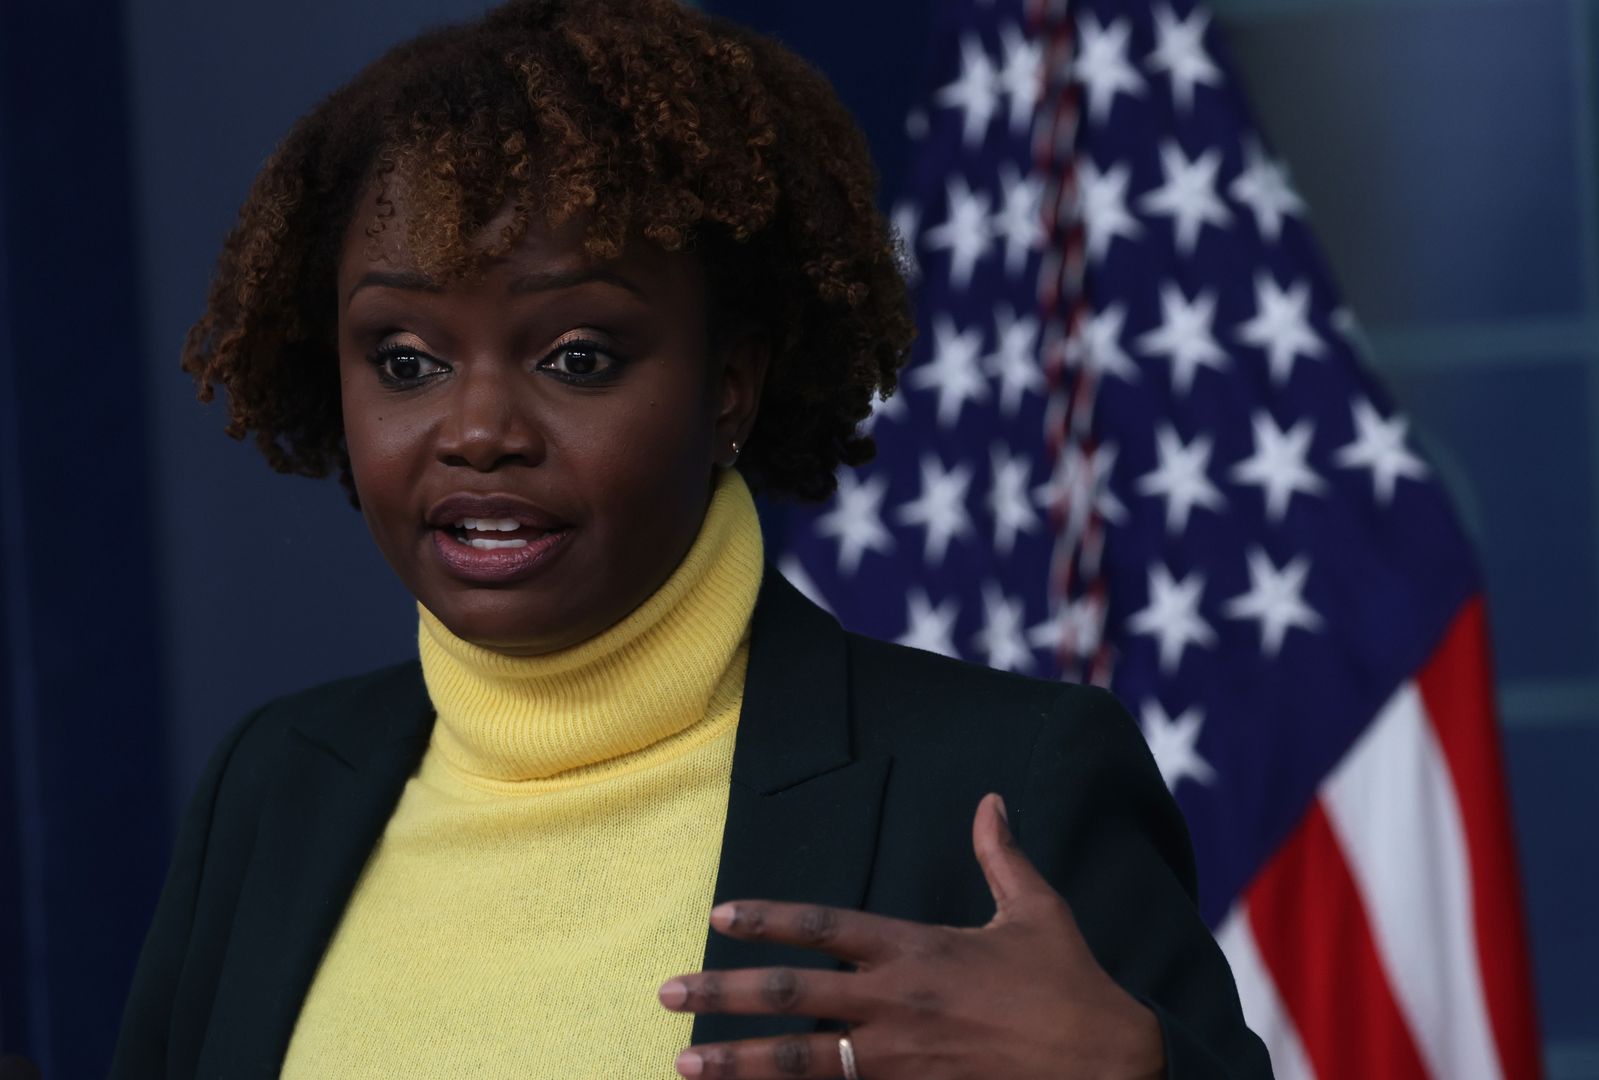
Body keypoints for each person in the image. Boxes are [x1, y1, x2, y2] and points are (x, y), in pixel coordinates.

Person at [110, 1, 1274, 1077]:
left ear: (730, 386)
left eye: (578, 356)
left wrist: (1140, 1072)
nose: (475, 431)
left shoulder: (998, 787)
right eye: (406, 361)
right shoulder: (274, 789)